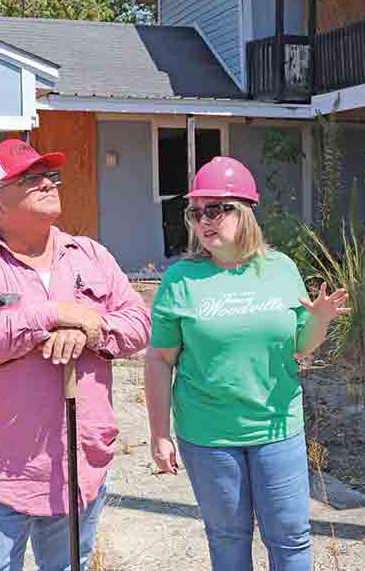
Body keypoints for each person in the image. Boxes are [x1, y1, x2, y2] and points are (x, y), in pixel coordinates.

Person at [0, 138, 152, 571]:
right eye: (31, 178)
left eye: (49, 175)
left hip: (78, 467)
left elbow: (138, 322)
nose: (48, 182)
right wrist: (51, 315)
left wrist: (89, 328)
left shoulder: (90, 255)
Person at [144, 156, 349, 571]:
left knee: (290, 538)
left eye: (216, 209)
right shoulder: (180, 281)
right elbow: (160, 360)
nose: (204, 220)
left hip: (278, 428)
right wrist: (159, 434)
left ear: (245, 212)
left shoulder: (280, 269)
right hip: (208, 437)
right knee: (227, 539)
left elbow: (301, 346)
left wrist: (321, 321)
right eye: (196, 211)